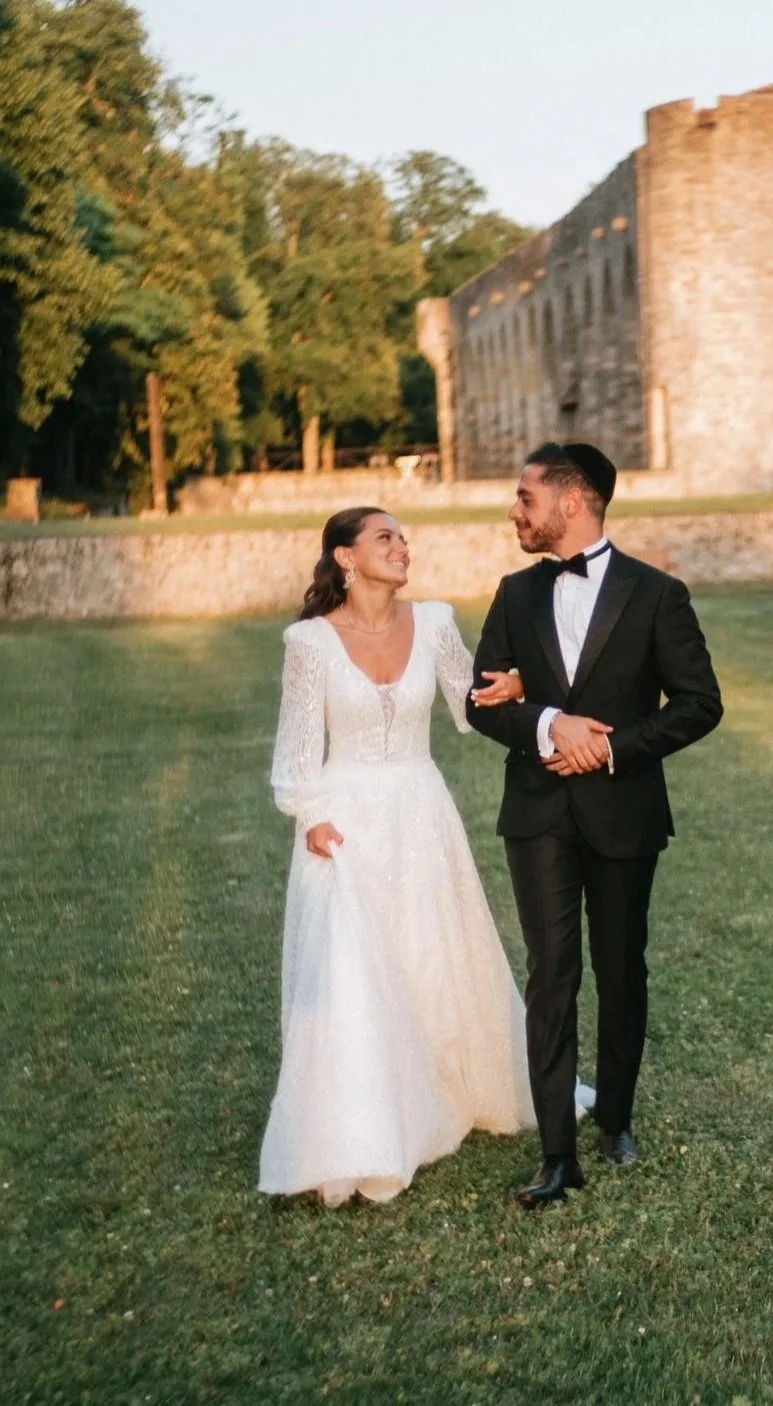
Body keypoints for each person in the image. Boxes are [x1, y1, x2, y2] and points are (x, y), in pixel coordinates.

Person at [260, 505, 580, 1206]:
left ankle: (447, 1090)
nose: (403, 547)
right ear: (346, 557)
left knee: (433, 952)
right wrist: (310, 815)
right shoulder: (309, 642)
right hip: (344, 822)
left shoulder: (433, 622)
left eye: (404, 538)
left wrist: (521, 685)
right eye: (386, 538)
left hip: (420, 812)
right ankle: (361, 1128)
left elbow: (473, 707)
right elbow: (296, 746)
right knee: (351, 968)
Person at [466, 443, 723, 1209]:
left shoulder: (657, 594)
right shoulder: (514, 593)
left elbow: (699, 704)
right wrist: (551, 724)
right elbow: (484, 700)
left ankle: (615, 1120)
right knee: (551, 975)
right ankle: (556, 1155)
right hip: (537, 811)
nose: (514, 511)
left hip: (624, 809)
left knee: (619, 969)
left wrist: (610, 748)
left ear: (571, 502)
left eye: (525, 498)